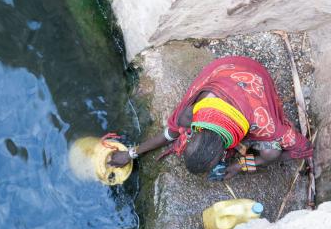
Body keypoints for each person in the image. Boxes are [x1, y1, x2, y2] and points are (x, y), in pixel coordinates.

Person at [109, 56, 313, 179]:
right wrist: (131, 153)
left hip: (253, 81)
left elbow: (302, 149)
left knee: (271, 153)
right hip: (225, 76)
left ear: (226, 149)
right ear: (195, 132)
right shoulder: (190, 114)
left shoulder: (264, 123)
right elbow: (169, 134)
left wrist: (239, 166)